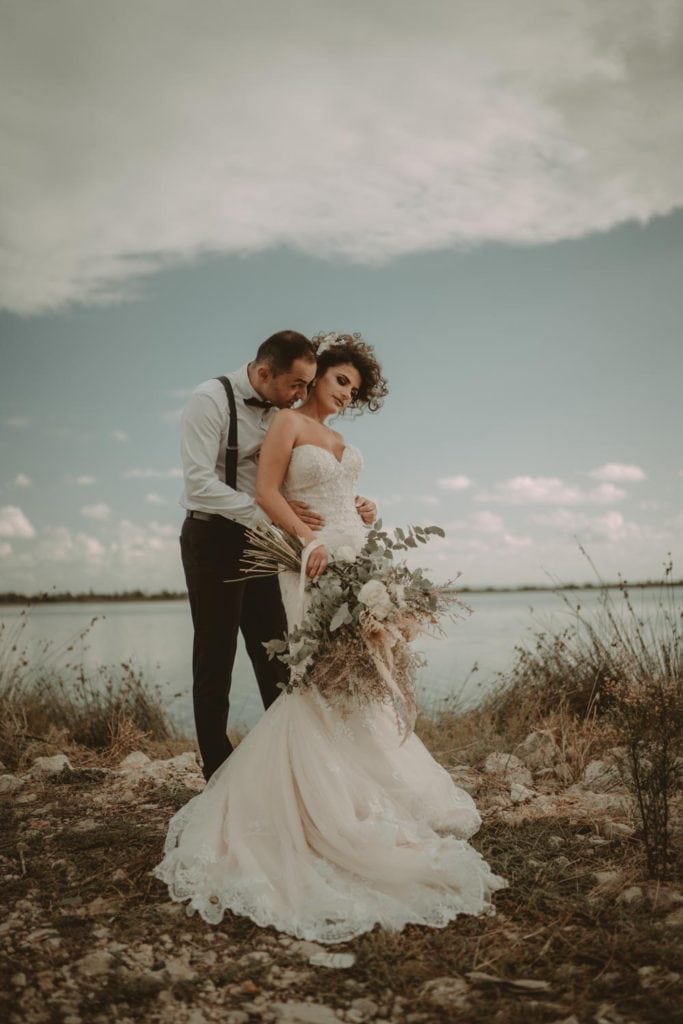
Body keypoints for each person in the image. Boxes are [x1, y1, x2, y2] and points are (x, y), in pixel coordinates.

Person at [157, 333, 507, 943]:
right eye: (327, 381)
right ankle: (225, 778)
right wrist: (298, 532)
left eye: (347, 385)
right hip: (235, 536)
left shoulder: (323, 431)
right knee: (217, 658)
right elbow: (229, 487)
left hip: (322, 552)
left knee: (306, 677)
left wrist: (360, 511)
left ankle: (320, 785)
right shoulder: (222, 403)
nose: (336, 392)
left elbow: (317, 489)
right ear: (283, 375)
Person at [179, 329, 377, 781]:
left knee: (276, 653)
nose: (301, 395)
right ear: (265, 373)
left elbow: (304, 476)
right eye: (296, 386)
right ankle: (217, 770)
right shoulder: (210, 400)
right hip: (212, 537)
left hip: (267, 544)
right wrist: (268, 512)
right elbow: (198, 482)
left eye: (308, 386)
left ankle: (284, 766)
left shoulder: (285, 411)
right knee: (215, 657)